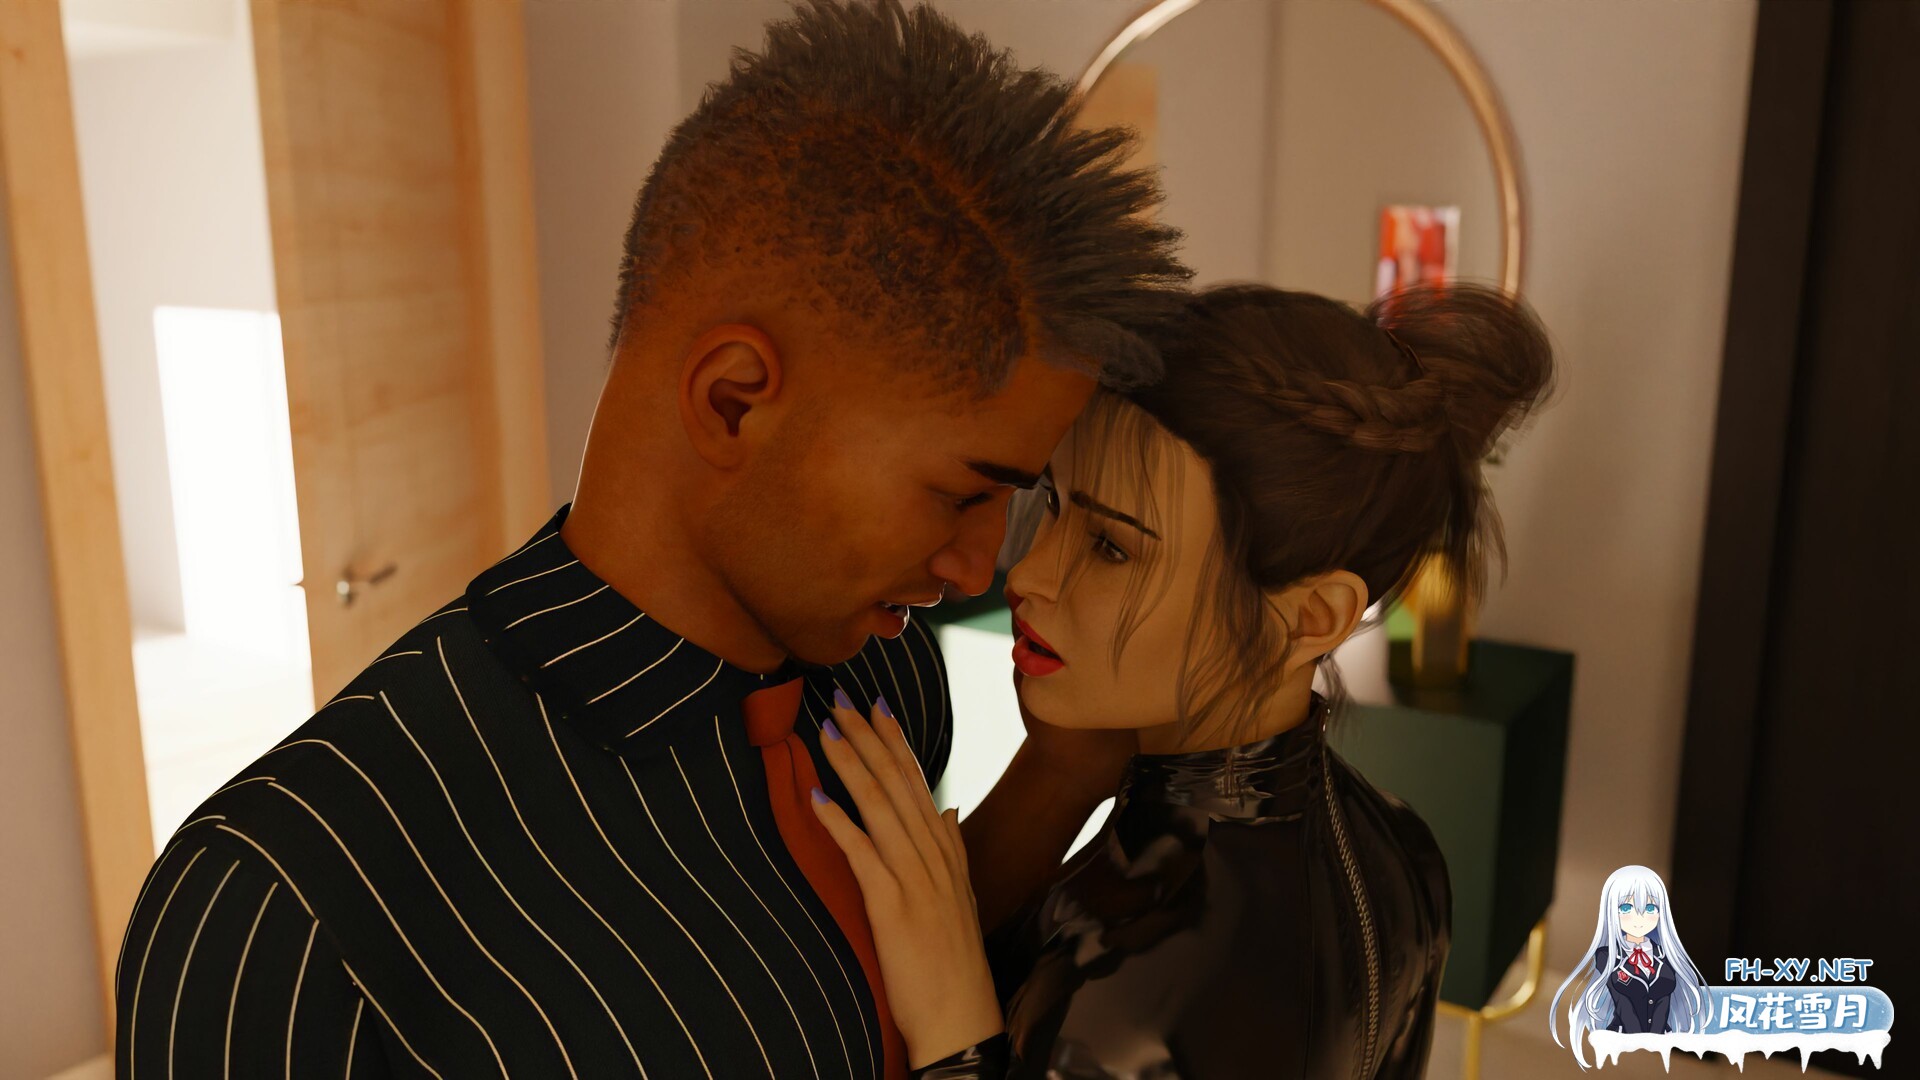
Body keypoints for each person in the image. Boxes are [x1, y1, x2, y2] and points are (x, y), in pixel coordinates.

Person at [112, 2, 1190, 1076]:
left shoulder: (886, 674)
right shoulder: (285, 904)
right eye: (960, 494)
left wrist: (1061, 776)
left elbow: (892, 976)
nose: (977, 566)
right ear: (732, 400)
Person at [812, 281, 1556, 1077]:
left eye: (1112, 547)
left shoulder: (1122, 1004)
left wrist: (955, 1032)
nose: (1027, 574)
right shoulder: (1406, 848)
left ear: (1311, 617)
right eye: (1056, 503)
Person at [1550, 864, 1715, 1067]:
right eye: (1627, 909)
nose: (1639, 919)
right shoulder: (1606, 957)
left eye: (1650, 908)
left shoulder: (1667, 956)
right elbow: (1623, 1004)